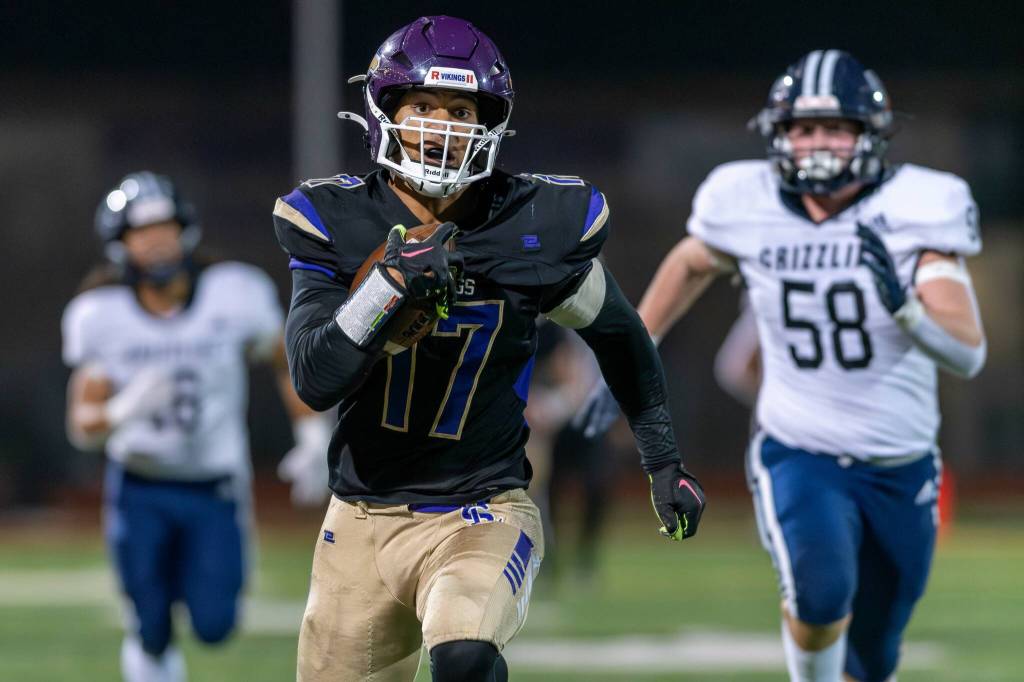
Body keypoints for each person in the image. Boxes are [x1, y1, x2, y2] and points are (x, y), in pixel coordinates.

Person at [271, 15, 706, 682]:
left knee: (466, 655)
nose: (441, 126)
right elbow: (315, 377)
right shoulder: (339, 221)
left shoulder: (529, 227)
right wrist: (387, 288)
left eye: (460, 109)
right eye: (422, 105)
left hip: (483, 508)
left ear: (489, 125)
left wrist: (662, 460)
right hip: (361, 514)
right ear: (386, 112)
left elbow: (620, 335)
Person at [577, 50, 986, 682]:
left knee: (877, 647)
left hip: (902, 459)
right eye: (802, 128)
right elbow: (690, 262)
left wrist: (905, 310)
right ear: (778, 134)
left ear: (868, 136)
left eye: (835, 128)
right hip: (800, 448)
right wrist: (637, 348)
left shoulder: (919, 206)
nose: (816, 143)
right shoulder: (746, 199)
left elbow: (967, 351)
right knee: (820, 597)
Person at [62, 171, 333, 682]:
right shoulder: (99, 313)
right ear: (120, 245)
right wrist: (122, 412)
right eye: (142, 232)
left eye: (164, 227)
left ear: (185, 229)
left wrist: (312, 435)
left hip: (214, 486)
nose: (157, 241)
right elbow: (82, 424)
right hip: (140, 486)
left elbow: (286, 360)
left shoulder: (234, 293)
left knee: (215, 624)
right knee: (151, 624)